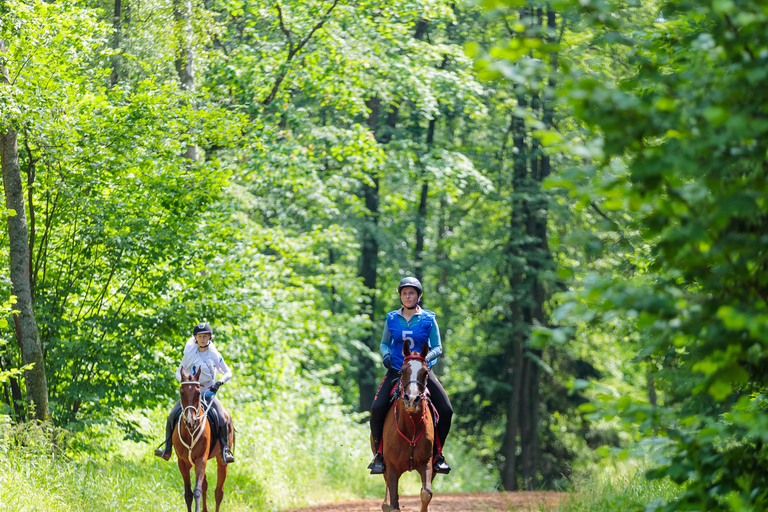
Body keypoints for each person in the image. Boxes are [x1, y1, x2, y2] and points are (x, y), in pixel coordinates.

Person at [368, 276, 453, 475]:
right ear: (400, 296)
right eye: (404, 293)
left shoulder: (429, 318)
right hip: (398, 370)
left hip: (422, 372)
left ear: (419, 296)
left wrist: (423, 360)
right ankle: (379, 455)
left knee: (446, 410)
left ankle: (438, 455)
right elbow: (384, 343)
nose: (408, 296)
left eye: (412, 293)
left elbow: (438, 346)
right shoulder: (391, 318)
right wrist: (386, 354)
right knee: (378, 407)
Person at [154, 322, 235, 464]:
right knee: (172, 415)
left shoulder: (214, 354)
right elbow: (179, 371)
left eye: (205, 336)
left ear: (210, 337)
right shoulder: (190, 353)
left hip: (208, 393)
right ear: (195, 338)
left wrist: (219, 383)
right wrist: (186, 383)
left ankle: (224, 451)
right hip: (192, 395)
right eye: (200, 336)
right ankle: (167, 448)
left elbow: (228, 372)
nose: (203, 339)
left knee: (222, 417)